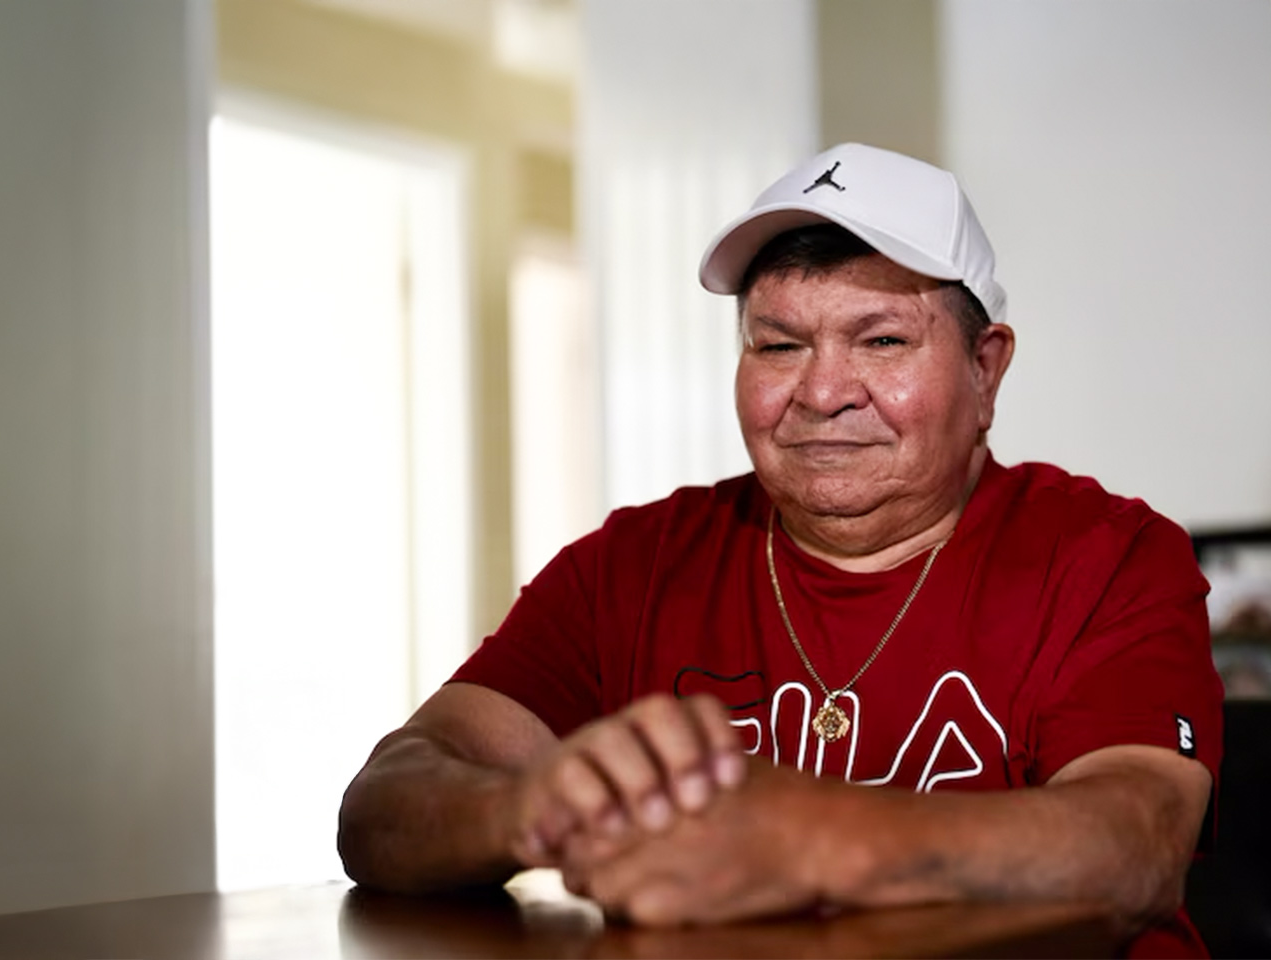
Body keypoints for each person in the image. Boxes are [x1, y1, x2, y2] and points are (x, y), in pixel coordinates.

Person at [337, 143, 1223, 957]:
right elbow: (383, 806)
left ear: (985, 368)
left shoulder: (1110, 556)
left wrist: (812, 839)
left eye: (881, 341)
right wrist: (528, 805)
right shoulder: (632, 565)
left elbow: (1134, 843)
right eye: (778, 344)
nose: (823, 391)